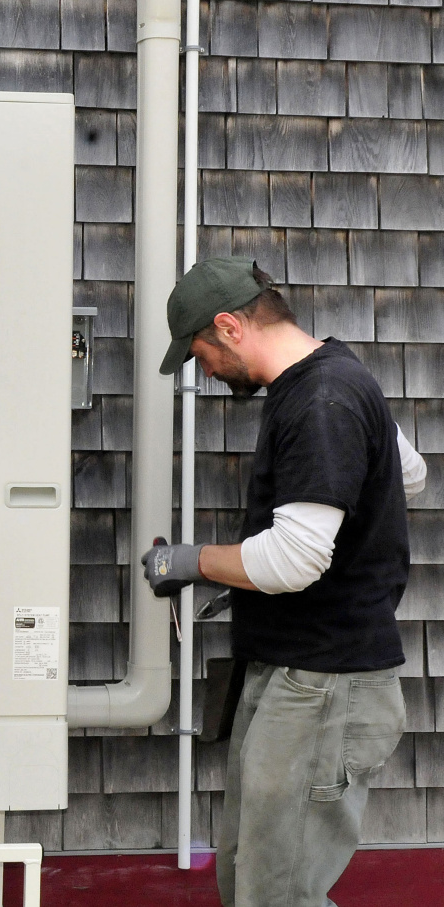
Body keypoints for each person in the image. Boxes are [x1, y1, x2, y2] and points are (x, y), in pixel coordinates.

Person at [140, 257, 427, 907]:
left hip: (324, 683)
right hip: (296, 670)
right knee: (251, 868)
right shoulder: (332, 381)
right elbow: (406, 473)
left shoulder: (321, 398)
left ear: (228, 326)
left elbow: (295, 559)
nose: (205, 372)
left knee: (277, 891)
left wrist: (189, 561)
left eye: (200, 354)